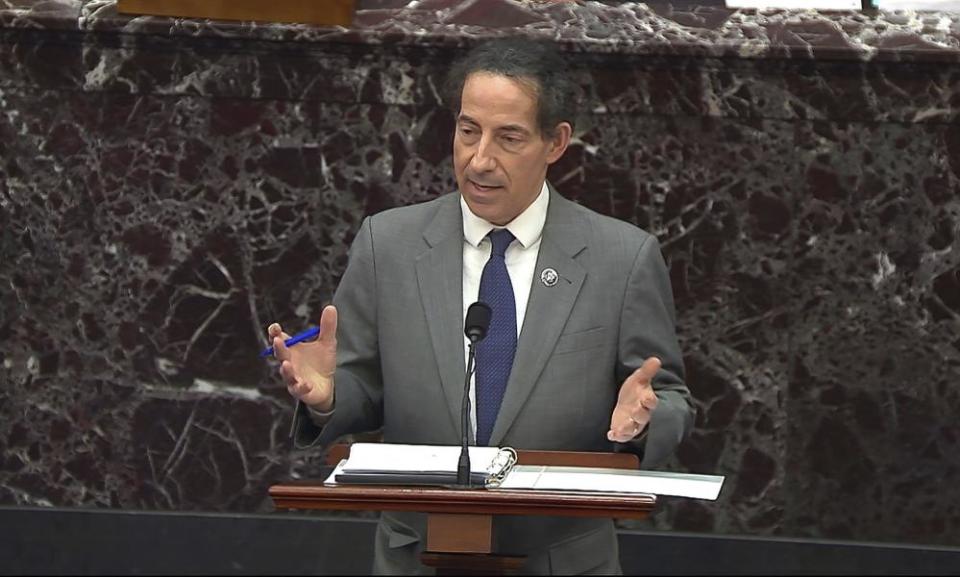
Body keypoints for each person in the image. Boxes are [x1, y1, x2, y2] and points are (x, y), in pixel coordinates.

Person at [266, 37, 695, 575]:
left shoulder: (622, 258)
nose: (479, 159)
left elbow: (669, 395)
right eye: (468, 131)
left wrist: (644, 422)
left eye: (508, 137)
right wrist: (329, 396)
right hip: (418, 556)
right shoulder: (389, 244)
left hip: (561, 559)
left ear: (555, 142)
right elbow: (363, 388)